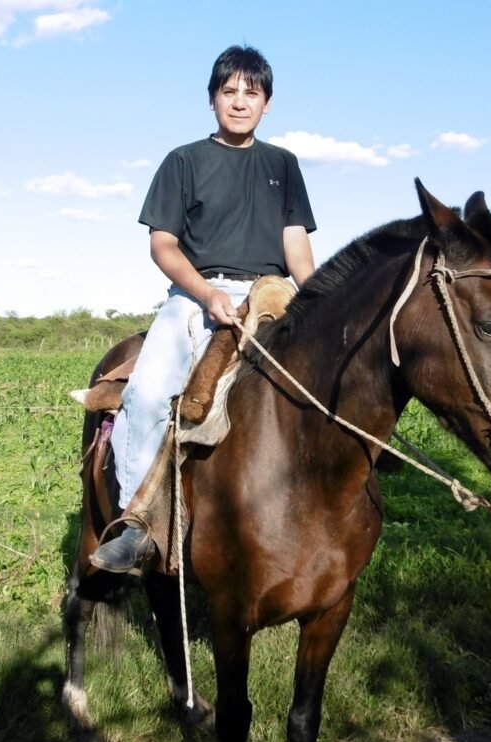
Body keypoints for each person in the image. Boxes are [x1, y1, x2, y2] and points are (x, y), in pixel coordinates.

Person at [90, 45, 316, 573]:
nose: (240, 102)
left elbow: (297, 249)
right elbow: (163, 245)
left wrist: (320, 301)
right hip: (197, 297)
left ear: (268, 104)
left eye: (251, 93)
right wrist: (207, 294)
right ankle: (137, 524)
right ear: (212, 99)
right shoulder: (183, 161)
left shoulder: (284, 165)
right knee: (146, 397)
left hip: (270, 295)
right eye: (229, 91)